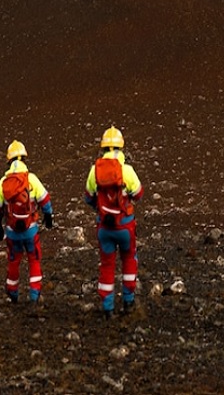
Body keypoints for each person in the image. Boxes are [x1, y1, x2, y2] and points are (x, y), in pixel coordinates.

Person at [84, 126, 145, 317]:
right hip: (125, 225)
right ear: (121, 148)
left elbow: (88, 197)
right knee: (128, 260)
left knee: (107, 265)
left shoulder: (94, 170)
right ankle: (128, 301)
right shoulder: (127, 171)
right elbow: (139, 194)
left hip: (104, 227)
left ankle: (107, 307)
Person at [0, 140, 54, 303]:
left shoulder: (4, 182)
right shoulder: (31, 179)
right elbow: (45, 200)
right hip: (31, 229)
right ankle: (34, 294)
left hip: (12, 231)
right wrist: (48, 216)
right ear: (24, 159)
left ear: (9, 161)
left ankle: (12, 292)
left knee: (13, 261)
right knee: (34, 259)